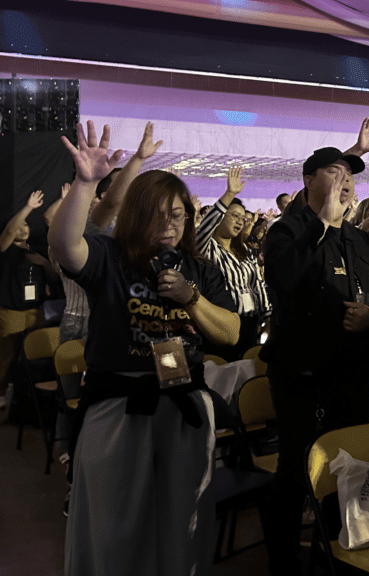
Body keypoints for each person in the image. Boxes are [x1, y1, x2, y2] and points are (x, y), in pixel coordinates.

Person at [49, 121, 239, 576]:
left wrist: (191, 299)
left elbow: (230, 333)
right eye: (157, 213)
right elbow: (63, 245)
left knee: (182, 526)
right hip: (119, 408)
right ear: (136, 214)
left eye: (177, 214)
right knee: (115, 529)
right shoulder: (111, 258)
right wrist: (86, 182)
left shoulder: (199, 269)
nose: (169, 223)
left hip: (184, 408)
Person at [261, 145, 369, 576]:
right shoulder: (287, 231)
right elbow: (284, 277)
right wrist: (320, 223)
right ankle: (283, 561)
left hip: (351, 371)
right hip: (301, 373)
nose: (346, 182)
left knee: (349, 464)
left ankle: (338, 546)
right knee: (298, 468)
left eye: (350, 176)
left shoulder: (357, 238)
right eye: (335, 174)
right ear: (307, 182)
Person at [196, 166, 273, 359]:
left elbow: (257, 285)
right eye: (234, 216)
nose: (240, 222)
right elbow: (203, 230)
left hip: (250, 323)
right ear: (220, 217)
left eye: (243, 218)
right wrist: (229, 194)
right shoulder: (208, 247)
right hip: (222, 322)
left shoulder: (245, 250)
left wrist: (268, 317)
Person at [0, 190, 51, 409]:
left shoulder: (35, 250)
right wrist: (29, 207)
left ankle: (21, 395)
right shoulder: (5, 248)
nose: (23, 229)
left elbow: (53, 275)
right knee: (6, 355)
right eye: (21, 225)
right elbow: (11, 230)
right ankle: (1, 393)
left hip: (35, 311)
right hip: (11, 311)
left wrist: (45, 263)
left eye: (27, 226)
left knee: (30, 355)